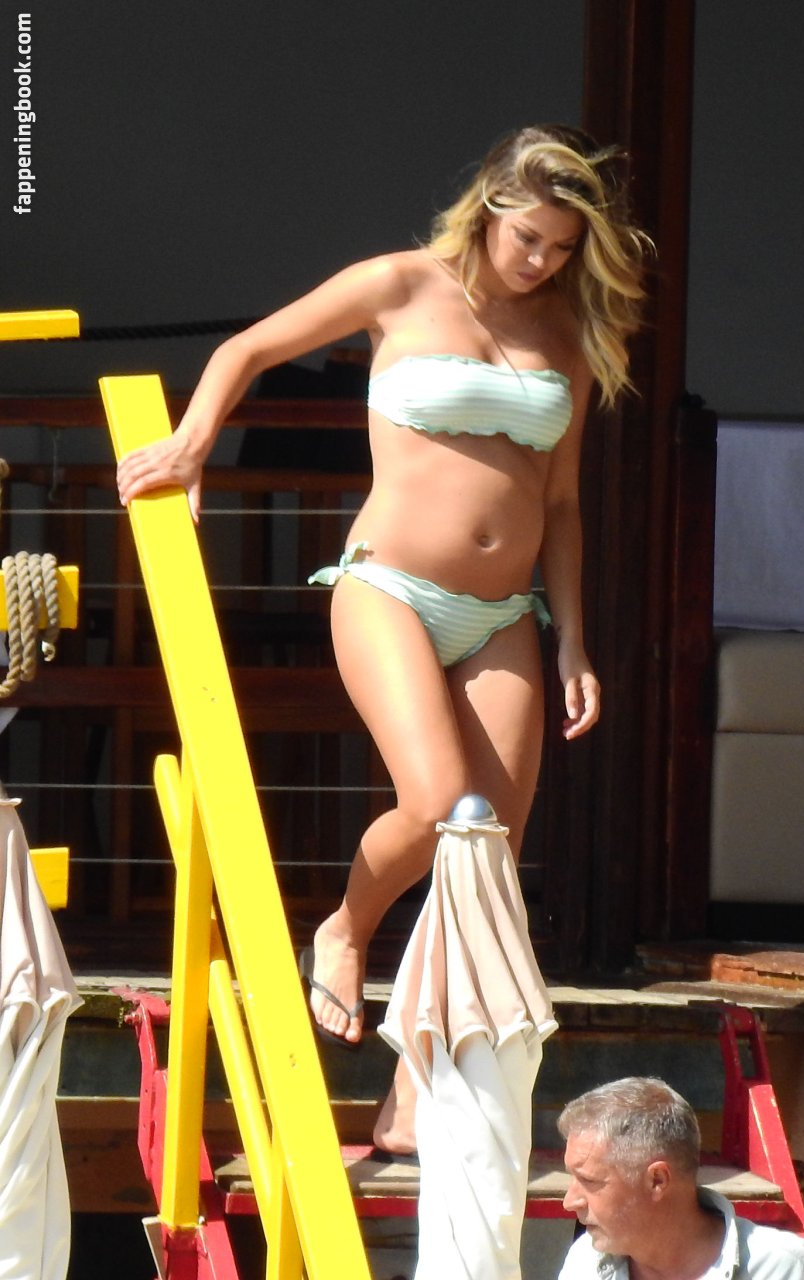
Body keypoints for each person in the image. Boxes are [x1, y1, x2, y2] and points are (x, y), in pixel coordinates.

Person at [115, 124, 651, 1152]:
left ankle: (411, 1090)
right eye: (528, 237)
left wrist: (574, 640)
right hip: (389, 586)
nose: (540, 261)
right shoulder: (399, 285)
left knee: (486, 857)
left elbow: (563, 502)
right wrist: (191, 445)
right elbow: (246, 349)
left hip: (506, 615)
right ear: (489, 209)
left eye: (561, 247)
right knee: (437, 800)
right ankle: (346, 928)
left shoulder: (569, 334)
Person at [557, 1078, 804, 1280]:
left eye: (589, 1181)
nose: (570, 1202)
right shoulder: (585, 1263)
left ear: (657, 1180)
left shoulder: (787, 1271)